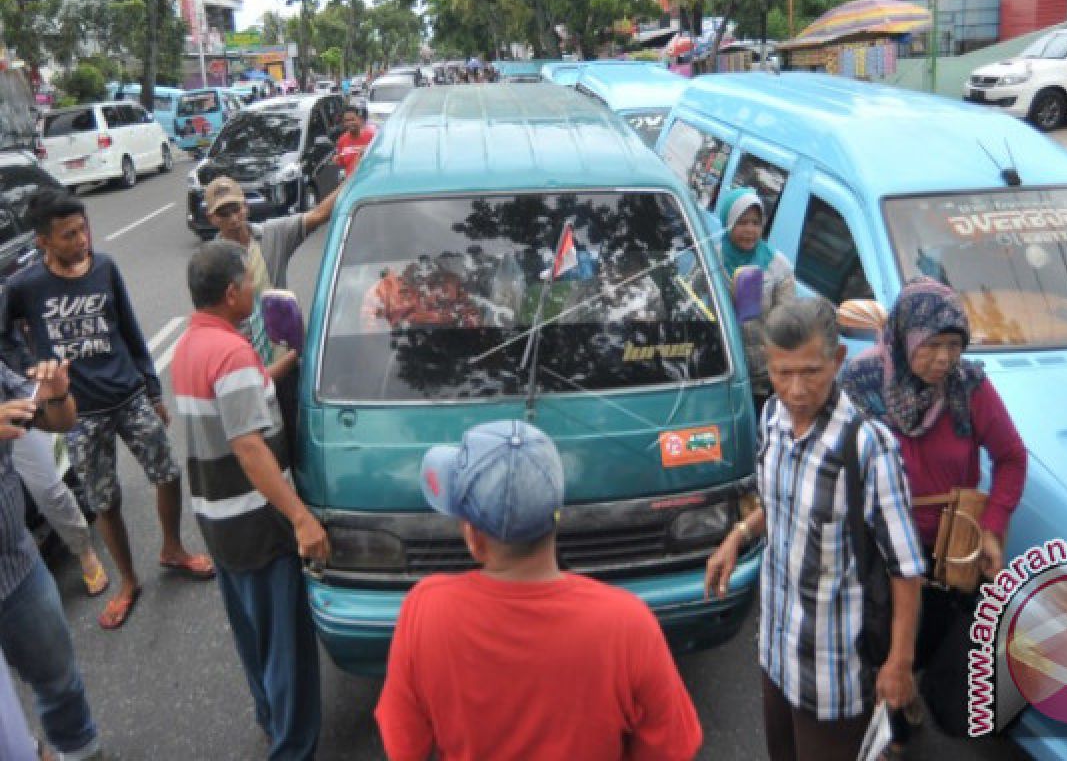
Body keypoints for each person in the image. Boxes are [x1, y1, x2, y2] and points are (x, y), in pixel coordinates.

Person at [375, 419, 703, 761]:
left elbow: (403, 748)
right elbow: (672, 748)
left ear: (473, 537)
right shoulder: (628, 625)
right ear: (556, 517)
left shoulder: (423, 612)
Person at [704, 297, 924, 761]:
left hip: (835, 675)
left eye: (810, 371)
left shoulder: (867, 448)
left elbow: (905, 569)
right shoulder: (772, 420)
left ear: (838, 360)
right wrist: (739, 535)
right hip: (776, 655)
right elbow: (780, 502)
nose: (796, 389)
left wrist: (899, 662)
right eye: (783, 374)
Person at [5, 190, 212, 630]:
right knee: (105, 501)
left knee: (169, 474)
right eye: (68, 235)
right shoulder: (26, 286)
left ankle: (172, 548)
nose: (81, 240)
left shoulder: (105, 268)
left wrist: (153, 391)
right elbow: (3, 332)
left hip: (129, 396)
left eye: (83, 229)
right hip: (80, 415)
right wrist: (29, 367)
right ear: (43, 241)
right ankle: (128, 581)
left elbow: (132, 330)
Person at [841, 277, 1027, 738]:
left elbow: (1011, 458)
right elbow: (837, 465)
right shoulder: (860, 385)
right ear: (904, 337)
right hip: (881, 547)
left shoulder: (969, 387)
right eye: (931, 345)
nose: (943, 359)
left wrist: (992, 525)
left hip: (951, 549)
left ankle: (914, 702)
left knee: (940, 642)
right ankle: (891, 725)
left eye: (953, 345)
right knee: (878, 644)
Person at [172, 243, 331, 761]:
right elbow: (247, 446)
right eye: (247, 282)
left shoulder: (193, 345)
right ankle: (291, 748)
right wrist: (302, 518)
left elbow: (238, 401)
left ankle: (268, 718)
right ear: (231, 292)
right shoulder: (233, 353)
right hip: (255, 522)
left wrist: (284, 364)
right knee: (288, 646)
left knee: (253, 636)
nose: (255, 290)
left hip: (217, 519)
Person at [0, 356, 104, 760]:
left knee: (58, 678)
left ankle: (80, 749)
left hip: (16, 565)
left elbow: (57, 421)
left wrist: (56, 393)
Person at [205, 175, 342, 452]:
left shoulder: (272, 235)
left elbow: (319, 214)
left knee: (297, 441)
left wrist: (357, 172)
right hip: (245, 374)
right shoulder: (210, 262)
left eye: (235, 209)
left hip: (286, 363)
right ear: (212, 218)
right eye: (223, 213)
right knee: (259, 448)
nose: (232, 218)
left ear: (245, 207)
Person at [3, 310, 106, 595]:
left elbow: (18, 364)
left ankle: (84, 552)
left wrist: (52, 392)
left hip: (13, 410)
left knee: (48, 489)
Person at [715, 187, 796, 413]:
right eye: (742, 222)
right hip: (721, 373)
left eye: (756, 223)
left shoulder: (778, 267)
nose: (750, 230)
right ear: (728, 222)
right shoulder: (712, 259)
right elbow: (695, 306)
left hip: (761, 379)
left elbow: (787, 324)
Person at [334, 106, 375, 176]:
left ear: (360, 120)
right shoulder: (341, 141)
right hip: (350, 182)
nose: (350, 123)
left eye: (352, 119)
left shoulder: (372, 137)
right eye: (347, 121)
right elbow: (342, 164)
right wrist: (336, 160)